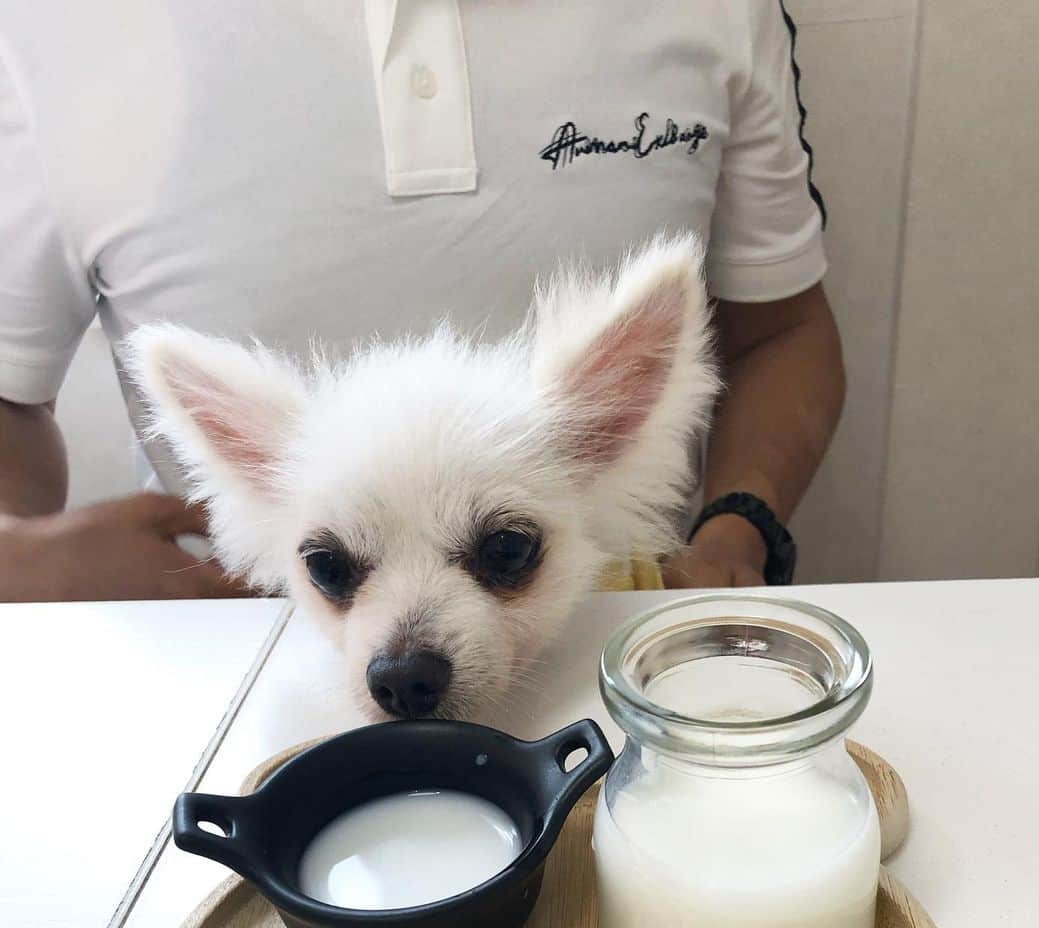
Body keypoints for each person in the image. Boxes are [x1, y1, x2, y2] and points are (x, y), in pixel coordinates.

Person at [0, 0, 844, 602]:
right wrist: (18, 556)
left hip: (619, 642)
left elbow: (782, 327)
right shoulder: (45, 26)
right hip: (229, 660)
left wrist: (740, 526)